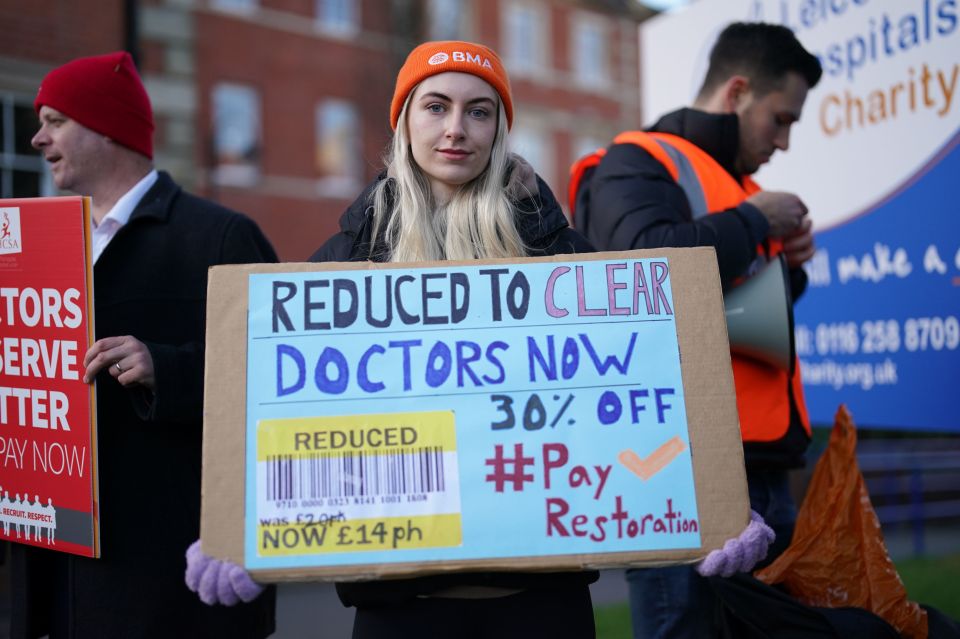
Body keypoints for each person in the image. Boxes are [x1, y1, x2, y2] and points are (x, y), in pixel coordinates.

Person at [186, 39, 776, 639]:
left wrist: (713, 505)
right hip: (398, 611)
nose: (456, 129)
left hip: (542, 606)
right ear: (404, 121)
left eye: (479, 111)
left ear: (498, 129)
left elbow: (645, 383)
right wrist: (238, 525)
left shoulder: (561, 257)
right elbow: (276, 400)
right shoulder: (344, 264)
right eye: (435, 106)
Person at [13, 51, 277, 638]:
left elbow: (282, 384)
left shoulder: (220, 236)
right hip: (60, 576)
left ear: (106, 126)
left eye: (56, 120)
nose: (37, 137)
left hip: (176, 585)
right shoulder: (43, 248)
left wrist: (167, 368)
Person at [573, 22, 821, 639]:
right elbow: (649, 269)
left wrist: (790, 270)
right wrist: (752, 220)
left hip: (762, 469)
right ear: (737, 91)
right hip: (682, 478)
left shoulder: (742, 184)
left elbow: (742, 312)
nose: (784, 142)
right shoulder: (635, 161)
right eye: (780, 119)